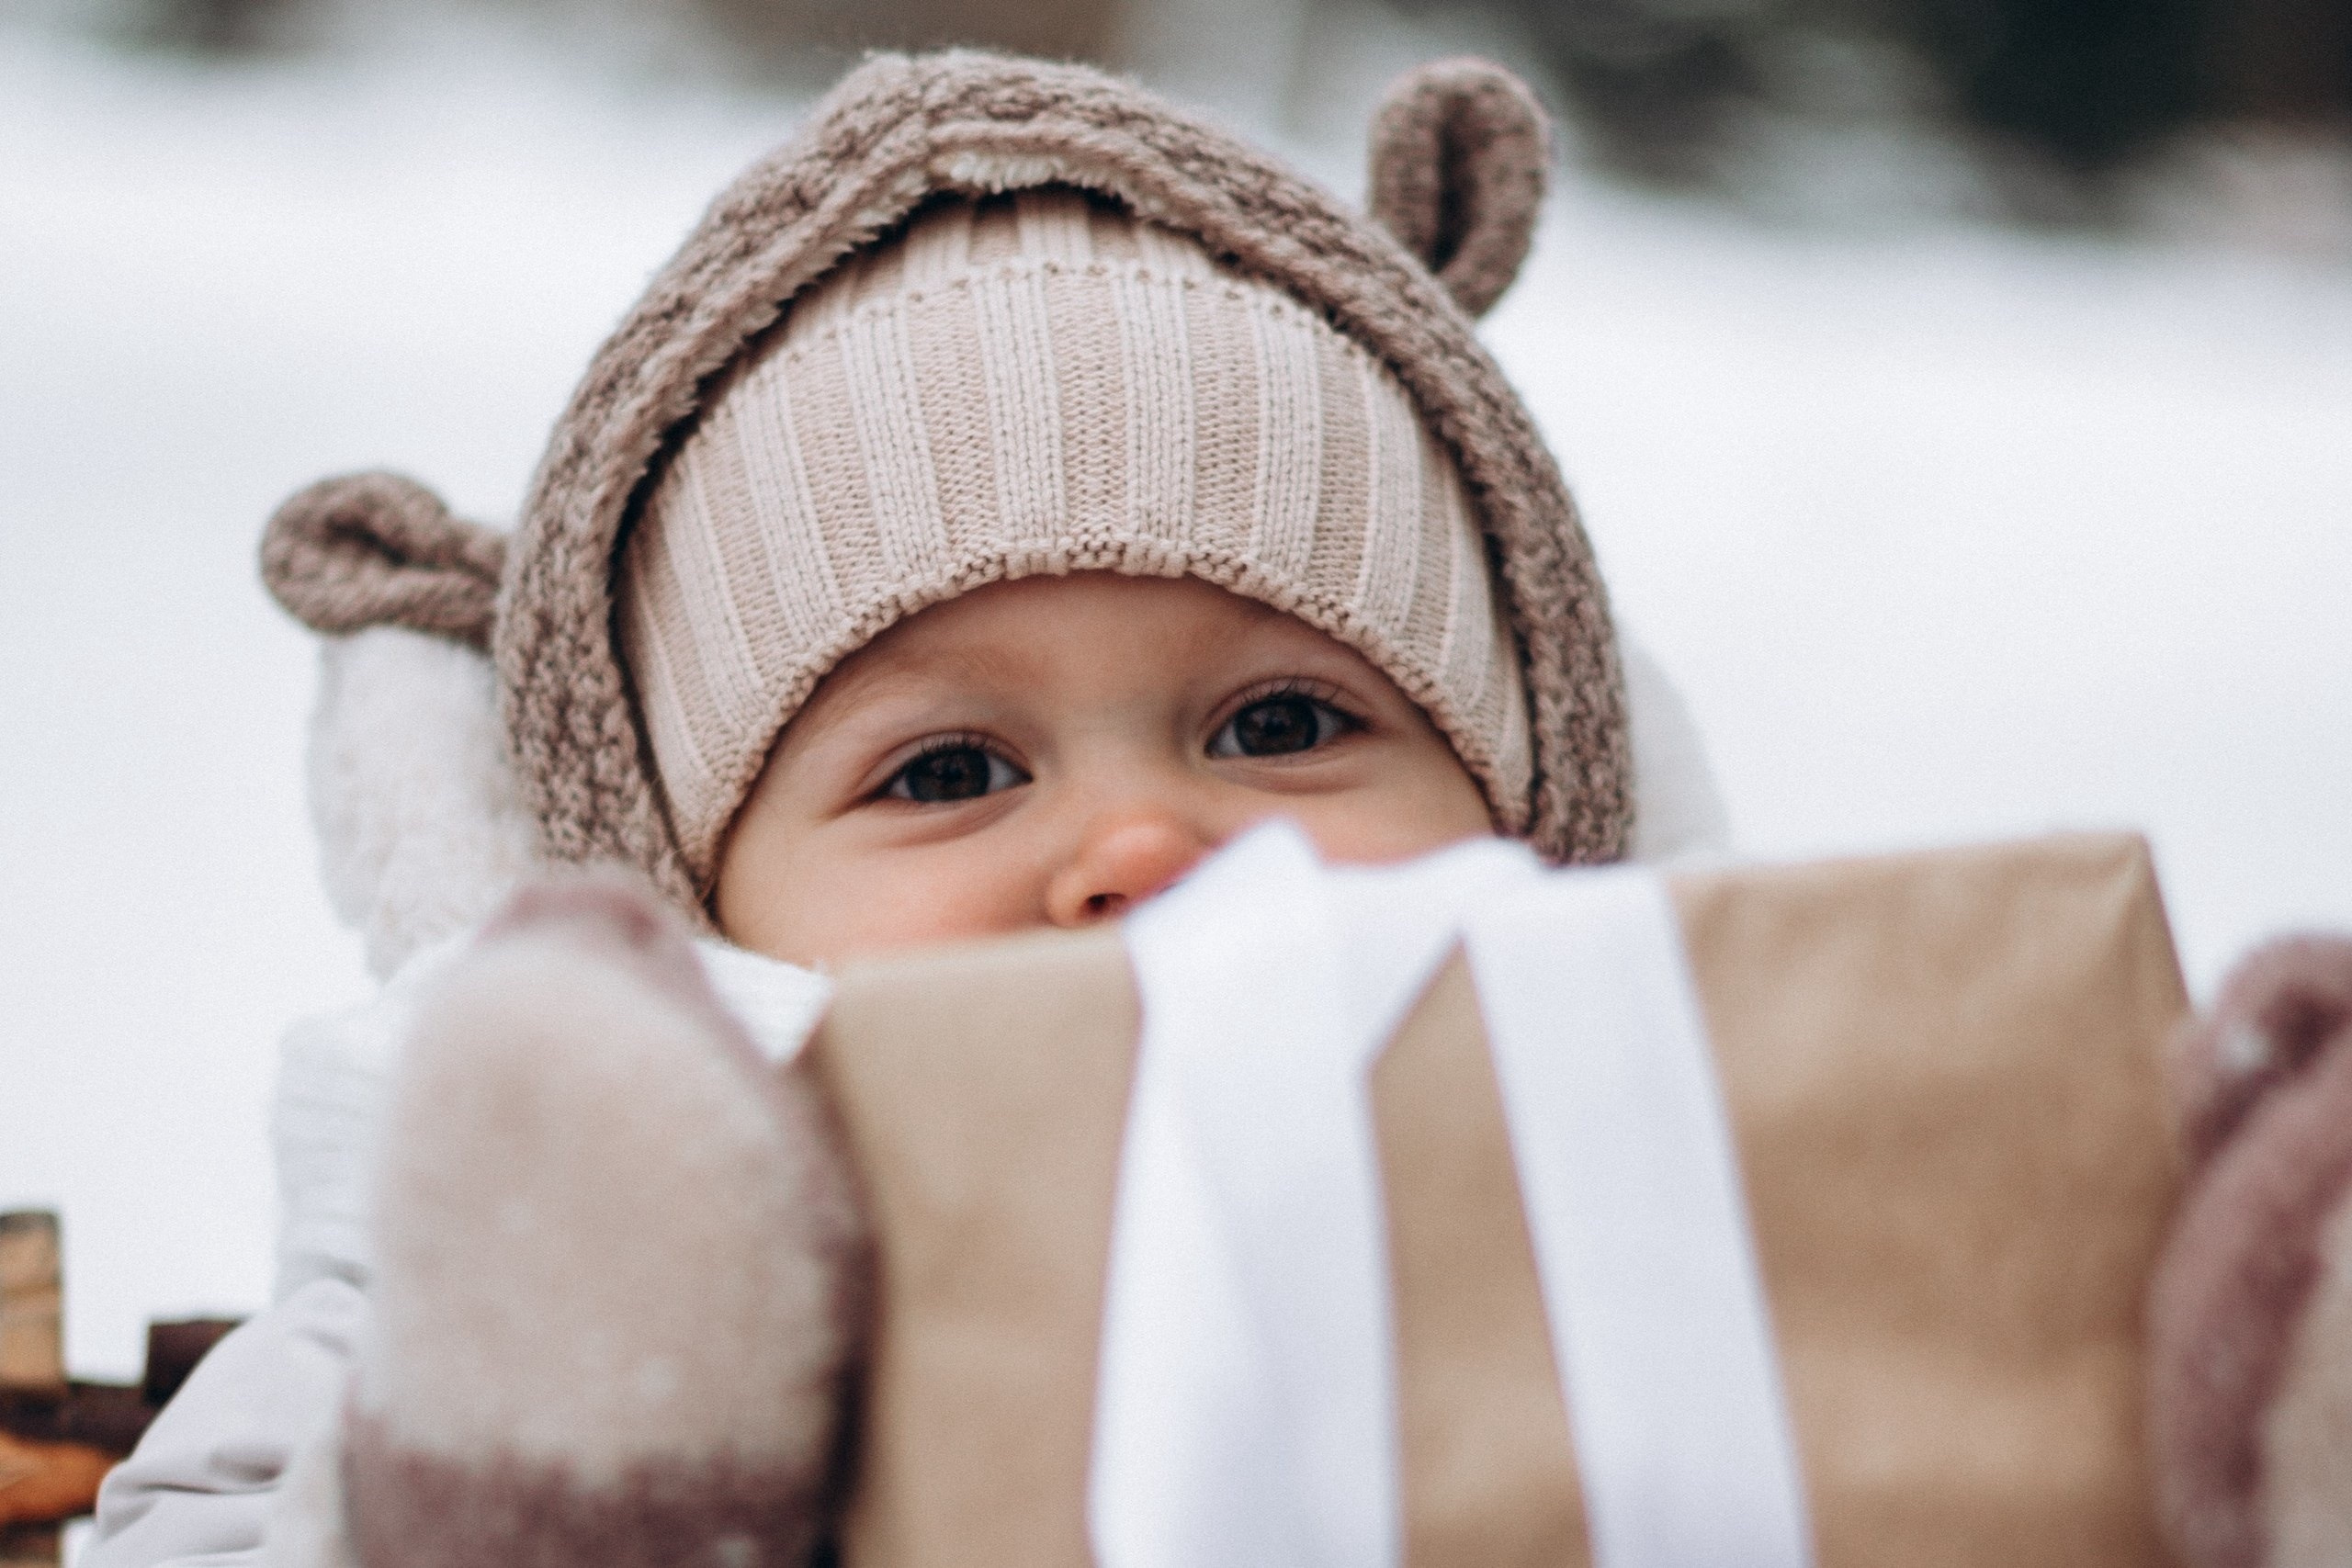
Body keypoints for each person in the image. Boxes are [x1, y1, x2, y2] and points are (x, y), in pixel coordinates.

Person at [81, 50, 1728, 1568]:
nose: (1142, 848)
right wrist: (511, 1472)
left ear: (1540, 801)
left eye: (1285, 723)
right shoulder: (529, 1243)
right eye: (948, 772)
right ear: (688, 901)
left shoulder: (1651, 1171)